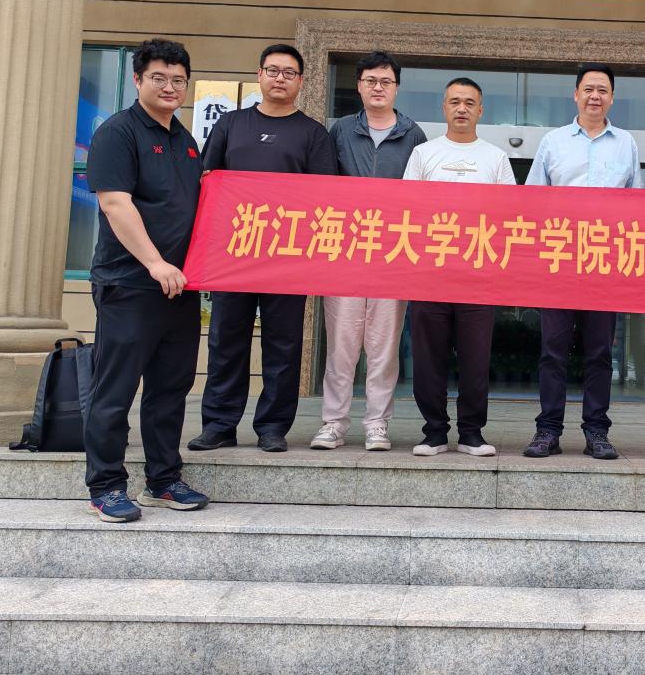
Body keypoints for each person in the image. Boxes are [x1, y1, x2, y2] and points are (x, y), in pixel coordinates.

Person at [187, 44, 337, 454]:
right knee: (225, 340)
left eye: (289, 73)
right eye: (273, 70)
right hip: (234, 253)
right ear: (259, 75)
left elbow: (325, 198)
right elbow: (208, 182)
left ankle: (273, 427)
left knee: (283, 346)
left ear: (301, 82)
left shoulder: (313, 134)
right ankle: (219, 424)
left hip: (287, 257)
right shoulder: (231, 124)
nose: (279, 79)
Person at [84, 38, 209, 523]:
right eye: (159, 78)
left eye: (179, 80)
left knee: (170, 389)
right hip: (130, 284)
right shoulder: (118, 133)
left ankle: (163, 479)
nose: (170, 87)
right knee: (115, 390)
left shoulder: (186, 140)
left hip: (181, 288)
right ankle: (106, 486)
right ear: (138, 80)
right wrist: (155, 262)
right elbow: (115, 204)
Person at [523, 62, 640, 460]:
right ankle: (548, 430)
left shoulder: (626, 143)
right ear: (575, 95)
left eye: (602, 90)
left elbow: (636, 207)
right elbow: (532, 201)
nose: (595, 96)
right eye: (588, 89)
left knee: (600, 353)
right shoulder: (553, 142)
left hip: (604, 263)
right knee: (552, 350)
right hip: (558, 261)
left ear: (612, 97)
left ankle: (597, 431)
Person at [310, 51, 426, 452]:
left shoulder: (413, 134)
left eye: (386, 81)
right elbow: (323, 186)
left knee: (383, 347)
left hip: (393, 253)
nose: (378, 88)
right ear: (359, 85)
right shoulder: (341, 130)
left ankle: (377, 424)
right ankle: (333, 423)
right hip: (345, 251)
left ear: (396, 87)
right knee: (341, 345)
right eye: (371, 80)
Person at [402, 78, 516, 456]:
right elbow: (408, 209)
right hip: (430, 273)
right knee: (427, 358)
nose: (462, 108)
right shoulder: (423, 154)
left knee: (476, 359)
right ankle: (434, 432)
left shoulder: (496, 158)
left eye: (469, 102)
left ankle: (471, 433)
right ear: (444, 108)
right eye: (454, 102)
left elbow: (509, 214)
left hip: (478, 275)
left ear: (481, 110)